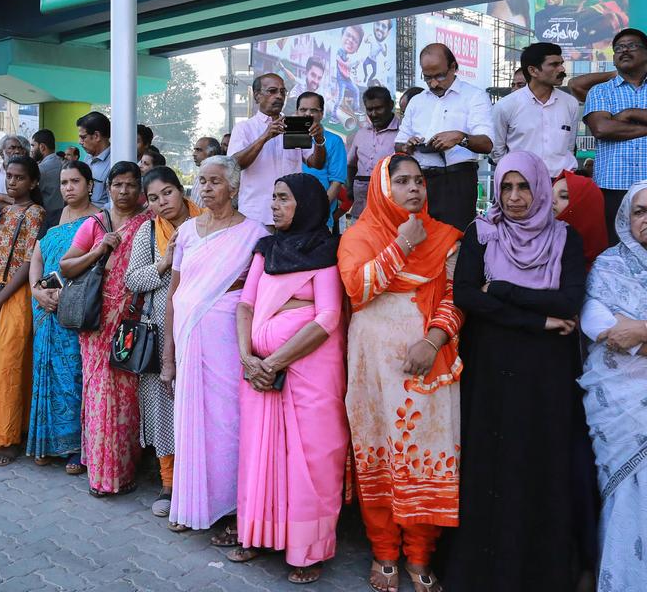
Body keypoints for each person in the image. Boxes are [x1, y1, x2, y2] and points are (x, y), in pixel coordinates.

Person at [447, 152, 586, 591]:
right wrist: (537, 320)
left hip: (545, 377)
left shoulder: (566, 238)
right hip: (490, 369)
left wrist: (504, 290)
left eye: (523, 186)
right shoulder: (482, 234)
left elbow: (568, 301)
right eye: (506, 187)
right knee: (489, 463)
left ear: (540, 188)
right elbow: (468, 295)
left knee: (538, 462)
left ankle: (535, 574)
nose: (514, 197)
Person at [337, 154, 464, 592]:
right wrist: (403, 244)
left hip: (426, 362)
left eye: (420, 181)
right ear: (383, 188)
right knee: (378, 453)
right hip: (371, 365)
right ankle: (384, 551)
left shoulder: (445, 237)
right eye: (403, 181)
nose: (415, 189)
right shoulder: (358, 236)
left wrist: (432, 342)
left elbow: (453, 298)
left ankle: (420, 555)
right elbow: (359, 287)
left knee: (424, 455)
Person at [228, 173, 348, 585]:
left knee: (309, 459)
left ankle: (307, 550)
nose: (274, 205)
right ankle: (257, 533)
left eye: (283, 198)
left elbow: (328, 317)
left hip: (307, 373)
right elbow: (245, 306)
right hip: (260, 371)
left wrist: (274, 360)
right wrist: (248, 356)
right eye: (274, 198)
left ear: (307, 204)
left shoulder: (327, 250)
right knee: (260, 453)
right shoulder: (267, 248)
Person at [163, 155, 269, 536]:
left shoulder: (255, 232)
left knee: (226, 421)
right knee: (190, 419)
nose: (206, 188)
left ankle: (232, 506)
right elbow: (175, 294)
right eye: (202, 181)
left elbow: (259, 294)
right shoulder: (188, 232)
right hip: (188, 338)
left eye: (215, 181)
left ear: (235, 189)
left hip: (227, 340)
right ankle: (192, 503)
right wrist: (168, 358)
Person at [60, 161, 150, 495]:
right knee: (101, 394)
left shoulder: (150, 223)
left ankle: (124, 470)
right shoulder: (96, 224)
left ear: (139, 188)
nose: (124, 191)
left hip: (135, 320)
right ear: (107, 188)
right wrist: (99, 250)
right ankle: (101, 475)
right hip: (99, 321)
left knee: (128, 395)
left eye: (130, 185)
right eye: (118, 185)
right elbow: (67, 267)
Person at [578, 180, 647, 591]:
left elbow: (627, 335)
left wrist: (640, 329)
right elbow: (601, 327)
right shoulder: (608, 266)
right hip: (619, 396)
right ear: (625, 218)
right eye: (640, 211)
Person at [125, 166, 200, 517]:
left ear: (180, 189)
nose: (162, 202)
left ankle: (199, 478)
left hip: (201, 330)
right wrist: (165, 264)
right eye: (154, 198)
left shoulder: (208, 221)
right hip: (158, 331)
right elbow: (132, 279)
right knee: (162, 407)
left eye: (167, 193)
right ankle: (169, 483)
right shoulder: (148, 231)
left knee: (198, 405)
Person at [28, 160, 99, 470]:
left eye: (74, 181)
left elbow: (98, 267)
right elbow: (37, 256)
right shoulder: (54, 218)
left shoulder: (99, 219)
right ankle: (47, 442)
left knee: (74, 377)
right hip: (45, 307)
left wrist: (65, 295)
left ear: (89, 184)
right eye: (63, 183)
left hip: (77, 307)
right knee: (45, 373)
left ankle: (76, 448)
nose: (68, 188)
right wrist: (36, 291)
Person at [0, 156, 45, 465]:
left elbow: (26, 264)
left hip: (16, 294)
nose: (12, 182)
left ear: (33, 182)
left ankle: (9, 438)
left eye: (20, 177)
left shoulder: (35, 213)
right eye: (9, 176)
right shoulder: (3, 210)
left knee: (10, 364)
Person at [396, 43, 494, 231]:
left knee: (454, 242)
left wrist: (460, 138)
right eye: (427, 78)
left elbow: (487, 143)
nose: (434, 83)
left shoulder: (474, 96)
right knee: (418, 239)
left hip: (458, 180)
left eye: (439, 76)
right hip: (421, 181)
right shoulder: (417, 101)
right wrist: (407, 146)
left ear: (453, 67)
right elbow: (398, 143)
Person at [228, 74, 325, 227]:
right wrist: (265, 137)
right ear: (257, 96)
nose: (279, 96)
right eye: (272, 91)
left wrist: (319, 141)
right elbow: (234, 165)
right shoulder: (244, 128)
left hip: (291, 217)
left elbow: (316, 163)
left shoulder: (294, 125)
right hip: (256, 217)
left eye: (282, 91)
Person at [583, 28, 647, 244]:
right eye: (618, 48)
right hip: (612, 188)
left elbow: (613, 127)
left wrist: (629, 114)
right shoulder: (600, 91)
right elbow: (602, 129)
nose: (624, 51)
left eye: (632, 46)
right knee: (615, 248)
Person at [491, 43, 579, 177]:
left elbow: (569, 148)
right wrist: (513, 177)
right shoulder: (505, 106)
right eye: (554, 64)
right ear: (533, 71)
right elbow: (497, 151)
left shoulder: (570, 103)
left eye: (561, 63)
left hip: (559, 183)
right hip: (522, 183)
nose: (561, 69)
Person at [347, 86, 400, 219]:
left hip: (391, 204)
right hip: (361, 204)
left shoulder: (403, 133)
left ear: (391, 105)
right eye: (370, 109)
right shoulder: (361, 133)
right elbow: (351, 164)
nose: (374, 114)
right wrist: (350, 190)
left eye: (378, 108)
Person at [297, 92, 347, 230]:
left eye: (313, 110)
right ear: (296, 112)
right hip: (289, 217)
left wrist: (317, 211)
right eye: (303, 110)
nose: (308, 114)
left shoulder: (334, 141)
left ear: (322, 113)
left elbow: (336, 183)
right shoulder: (286, 139)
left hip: (319, 221)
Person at [553, 170, 608, 271]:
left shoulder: (609, 271)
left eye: (564, 196)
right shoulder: (534, 249)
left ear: (584, 206)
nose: (552, 200)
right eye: (549, 194)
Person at [76, 112, 112, 208]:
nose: (80, 142)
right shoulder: (88, 158)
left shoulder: (114, 163)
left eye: (83, 137)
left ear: (96, 136)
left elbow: (113, 205)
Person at [31, 130, 64, 229]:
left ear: (42, 147)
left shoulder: (42, 169)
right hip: (62, 215)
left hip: (47, 219)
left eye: (33, 146)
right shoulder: (62, 163)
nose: (31, 150)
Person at [190, 137, 221, 207]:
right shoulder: (199, 175)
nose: (194, 154)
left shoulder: (221, 177)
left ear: (212, 153)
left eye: (199, 150)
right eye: (195, 150)